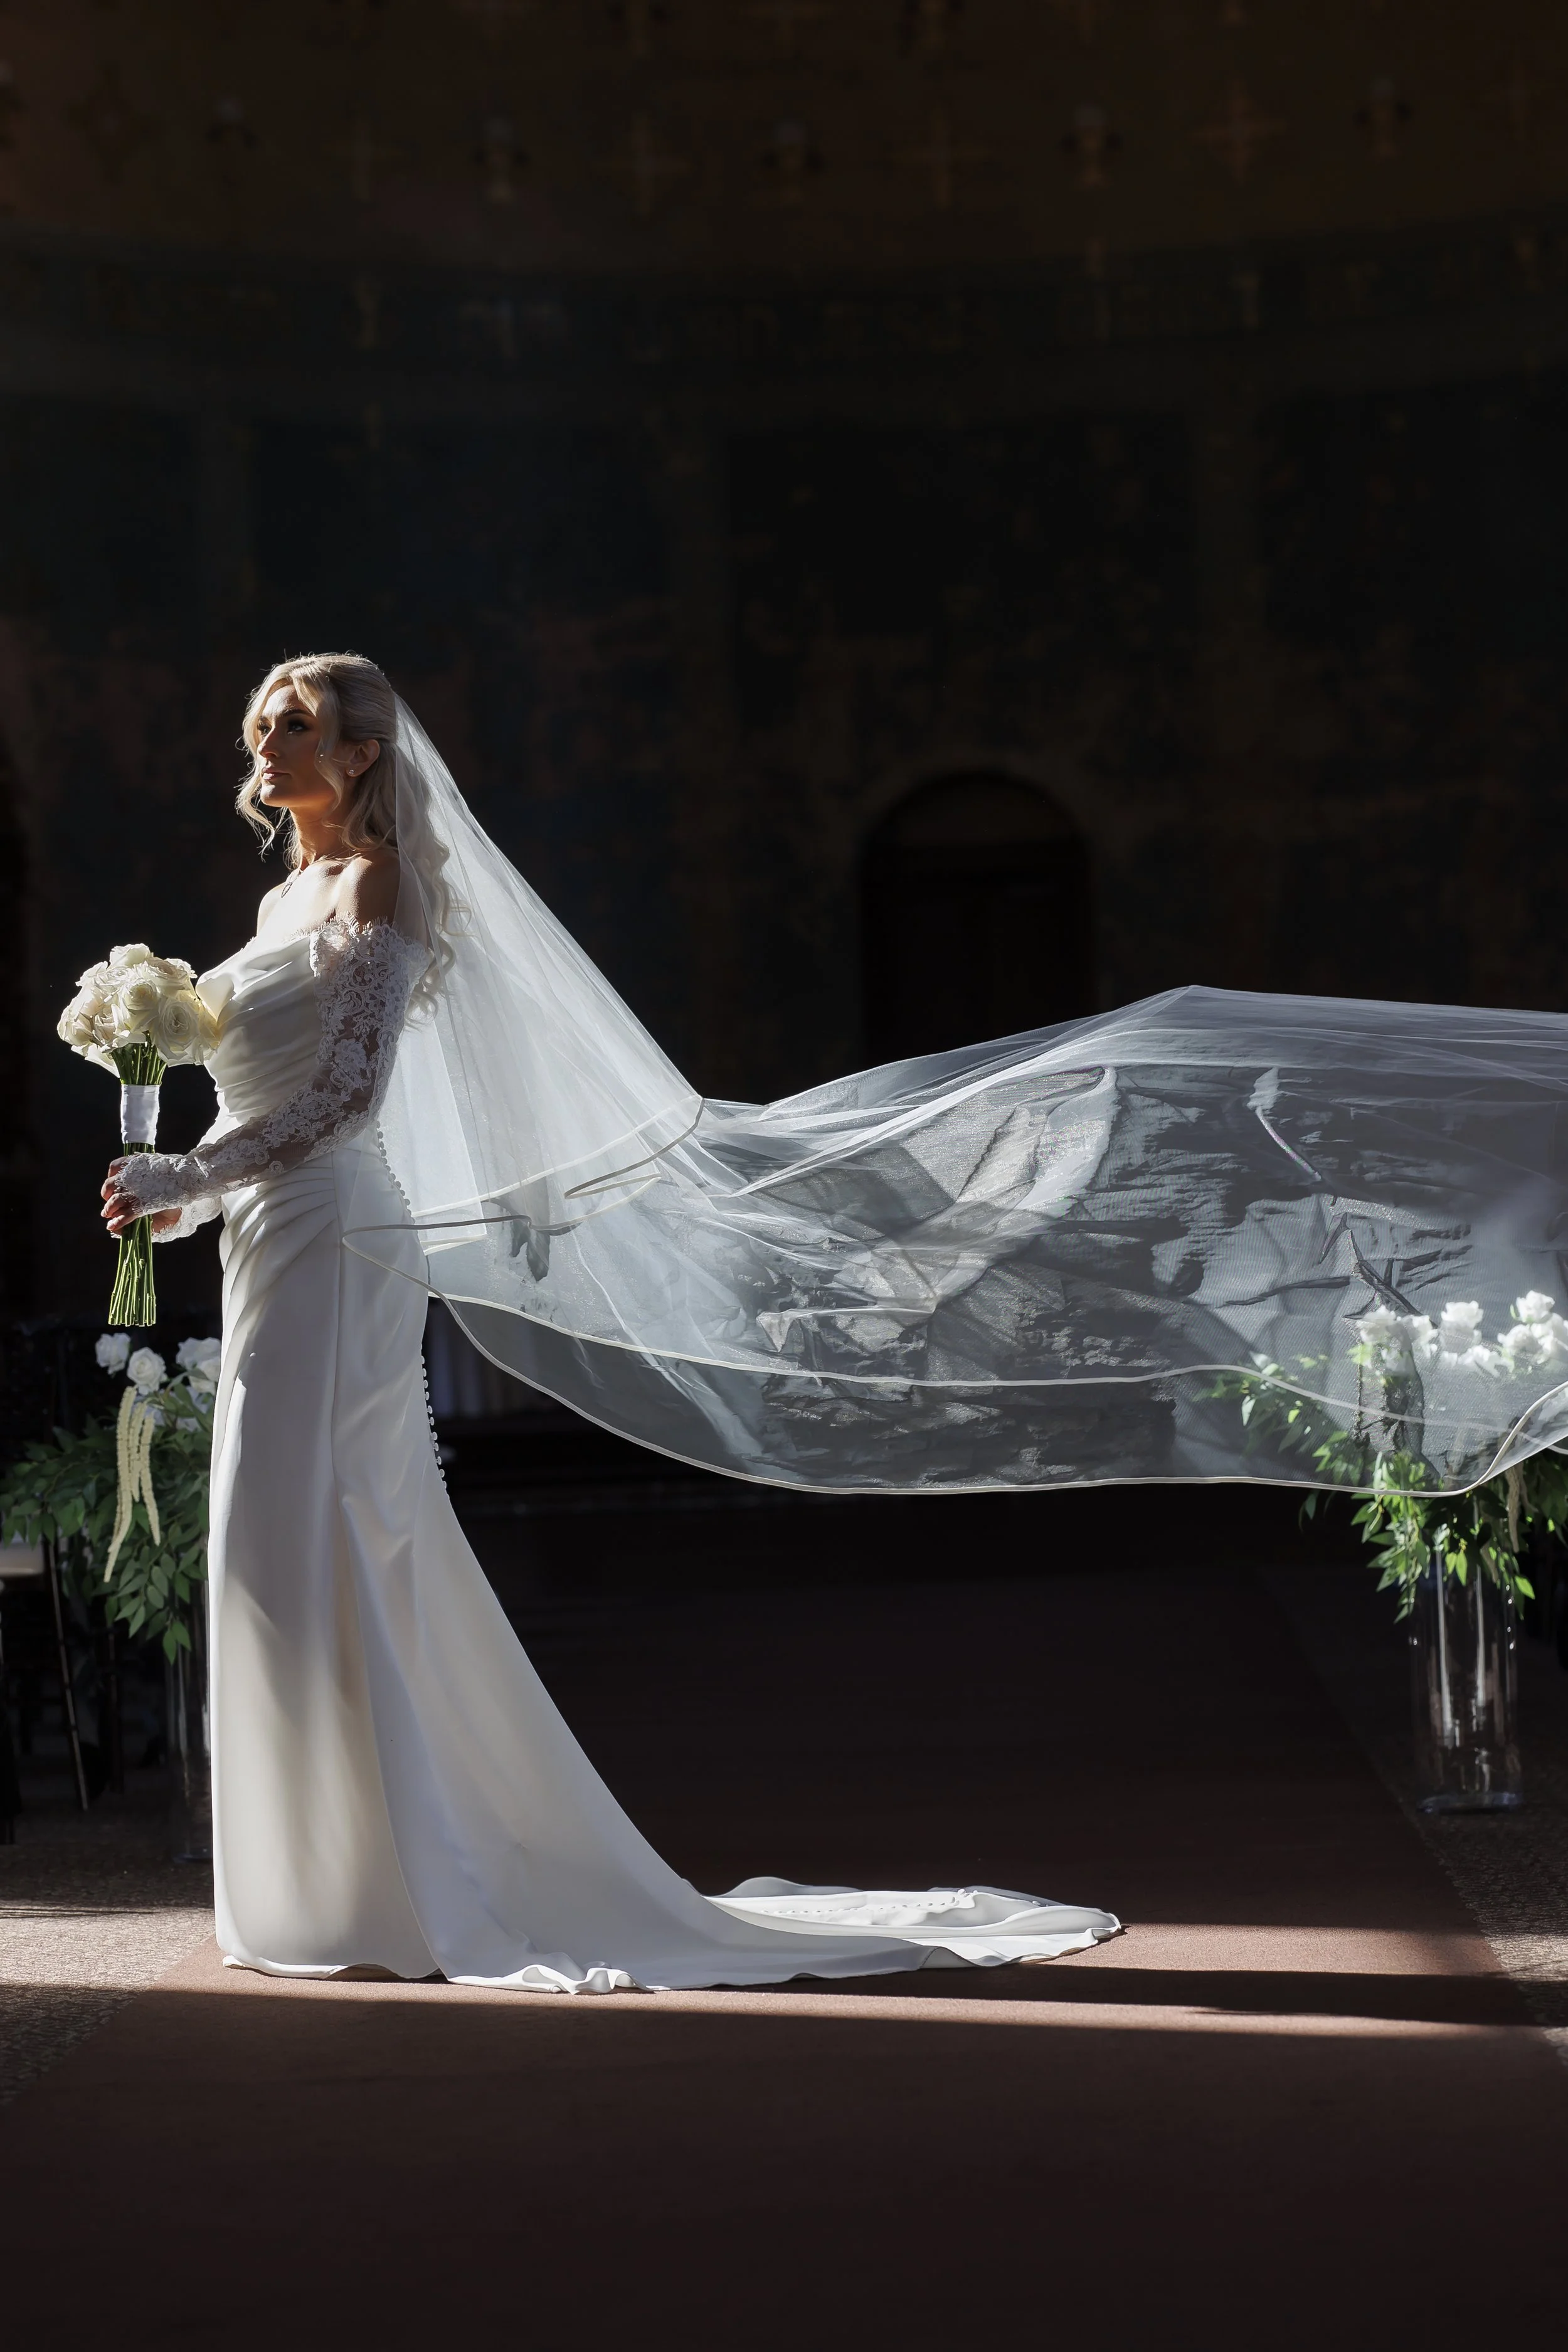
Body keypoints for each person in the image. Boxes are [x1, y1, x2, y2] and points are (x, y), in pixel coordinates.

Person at [101, 653, 1120, 1991]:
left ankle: (399, 1878)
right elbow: (259, 1100)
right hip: (261, 1235)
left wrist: (197, 1172)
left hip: (341, 1235)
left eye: (294, 724)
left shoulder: (381, 882)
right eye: (260, 723)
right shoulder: (280, 890)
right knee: (268, 1526)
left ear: (359, 756)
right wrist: (179, 1203)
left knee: (328, 1516)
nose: (265, 741)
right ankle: (317, 1876)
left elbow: (350, 1094)